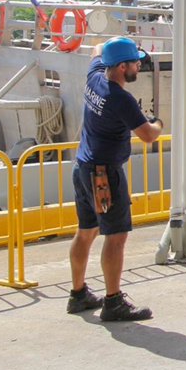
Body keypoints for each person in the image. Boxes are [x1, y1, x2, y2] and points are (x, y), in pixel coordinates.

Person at [68, 36, 163, 321]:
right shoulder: (120, 98)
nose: (139, 66)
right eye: (136, 62)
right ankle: (113, 302)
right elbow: (147, 135)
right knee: (116, 236)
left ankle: (78, 294)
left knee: (86, 231)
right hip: (104, 175)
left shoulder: (95, 74)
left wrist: (114, 45)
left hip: (83, 167)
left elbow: (98, 49)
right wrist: (158, 122)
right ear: (122, 67)